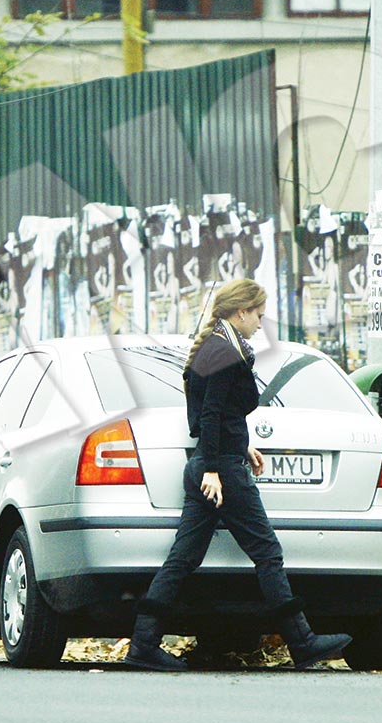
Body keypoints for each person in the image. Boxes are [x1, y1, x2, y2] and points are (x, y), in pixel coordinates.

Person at [126, 278, 352, 672]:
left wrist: (239, 445)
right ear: (241, 311)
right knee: (267, 552)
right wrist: (215, 467)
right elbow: (211, 414)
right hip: (221, 471)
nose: (261, 324)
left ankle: (143, 644)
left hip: (214, 462)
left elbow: (214, 412)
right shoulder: (224, 351)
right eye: (259, 316)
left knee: (182, 558)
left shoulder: (216, 346)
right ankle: (302, 642)